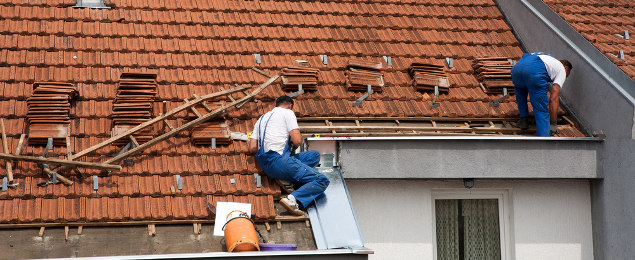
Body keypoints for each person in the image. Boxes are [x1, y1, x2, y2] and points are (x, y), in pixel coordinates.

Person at [248, 96, 329, 216]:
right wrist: (294, 137)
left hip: (267, 165)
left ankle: (291, 179)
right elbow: (297, 141)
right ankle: (292, 199)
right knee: (322, 180)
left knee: (314, 156)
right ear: (290, 106)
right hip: (281, 162)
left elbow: (252, 148)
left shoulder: (261, 119)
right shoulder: (288, 113)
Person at [511, 52, 572, 136]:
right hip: (534, 71)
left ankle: (523, 120)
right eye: (566, 75)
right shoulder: (561, 69)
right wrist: (553, 124)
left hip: (516, 69)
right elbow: (553, 98)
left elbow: (526, 61)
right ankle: (544, 138)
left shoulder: (546, 57)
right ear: (566, 68)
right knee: (541, 108)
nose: (564, 77)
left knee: (521, 93)